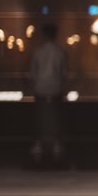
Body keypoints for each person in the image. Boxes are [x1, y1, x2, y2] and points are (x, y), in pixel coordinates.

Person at [29, 22, 68, 164]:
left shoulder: (38, 52)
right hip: (56, 89)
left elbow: (33, 73)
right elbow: (64, 73)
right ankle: (56, 144)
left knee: (40, 118)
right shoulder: (60, 52)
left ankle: (38, 144)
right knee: (56, 117)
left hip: (40, 89)